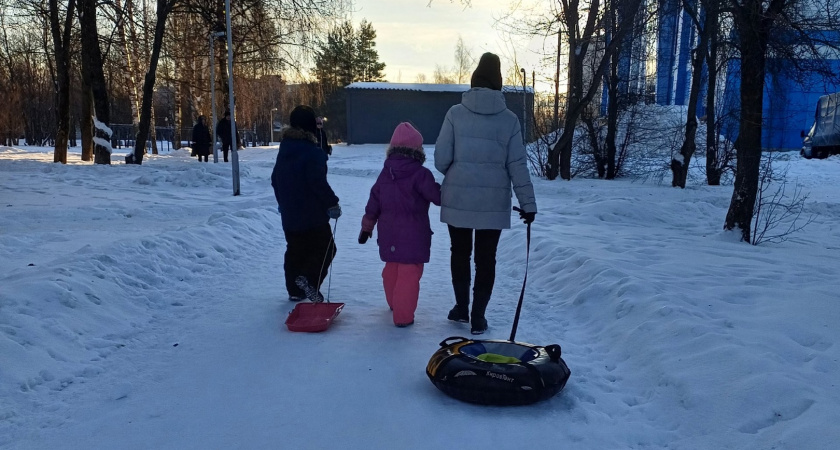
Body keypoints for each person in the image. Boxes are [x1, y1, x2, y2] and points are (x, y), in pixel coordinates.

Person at [434, 52, 537, 335]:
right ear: (499, 81)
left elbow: (441, 159)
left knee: (459, 253)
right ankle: (478, 317)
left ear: (474, 79)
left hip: (458, 199)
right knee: (486, 259)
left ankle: (461, 308)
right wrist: (528, 204)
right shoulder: (510, 120)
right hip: (493, 202)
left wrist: (459, 171)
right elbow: (517, 165)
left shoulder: (455, 113)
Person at [359, 122, 441, 327]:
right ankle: (403, 317)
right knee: (409, 273)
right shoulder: (421, 174)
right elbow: (438, 197)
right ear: (416, 149)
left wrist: (366, 227)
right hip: (413, 234)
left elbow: (373, 203)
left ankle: (394, 303)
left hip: (388, 233)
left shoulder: (385, 173)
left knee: (392, 268)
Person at [271, 105, 342, 303]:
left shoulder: (284, 150)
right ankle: (309, 281)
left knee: (295, 249)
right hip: (312, 215)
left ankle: (295, 289)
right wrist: (332, 203)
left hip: (290, 215)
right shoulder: (313, 153)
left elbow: (275, 179)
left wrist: (282, 202)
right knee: (326, 248)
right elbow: (317, 183)